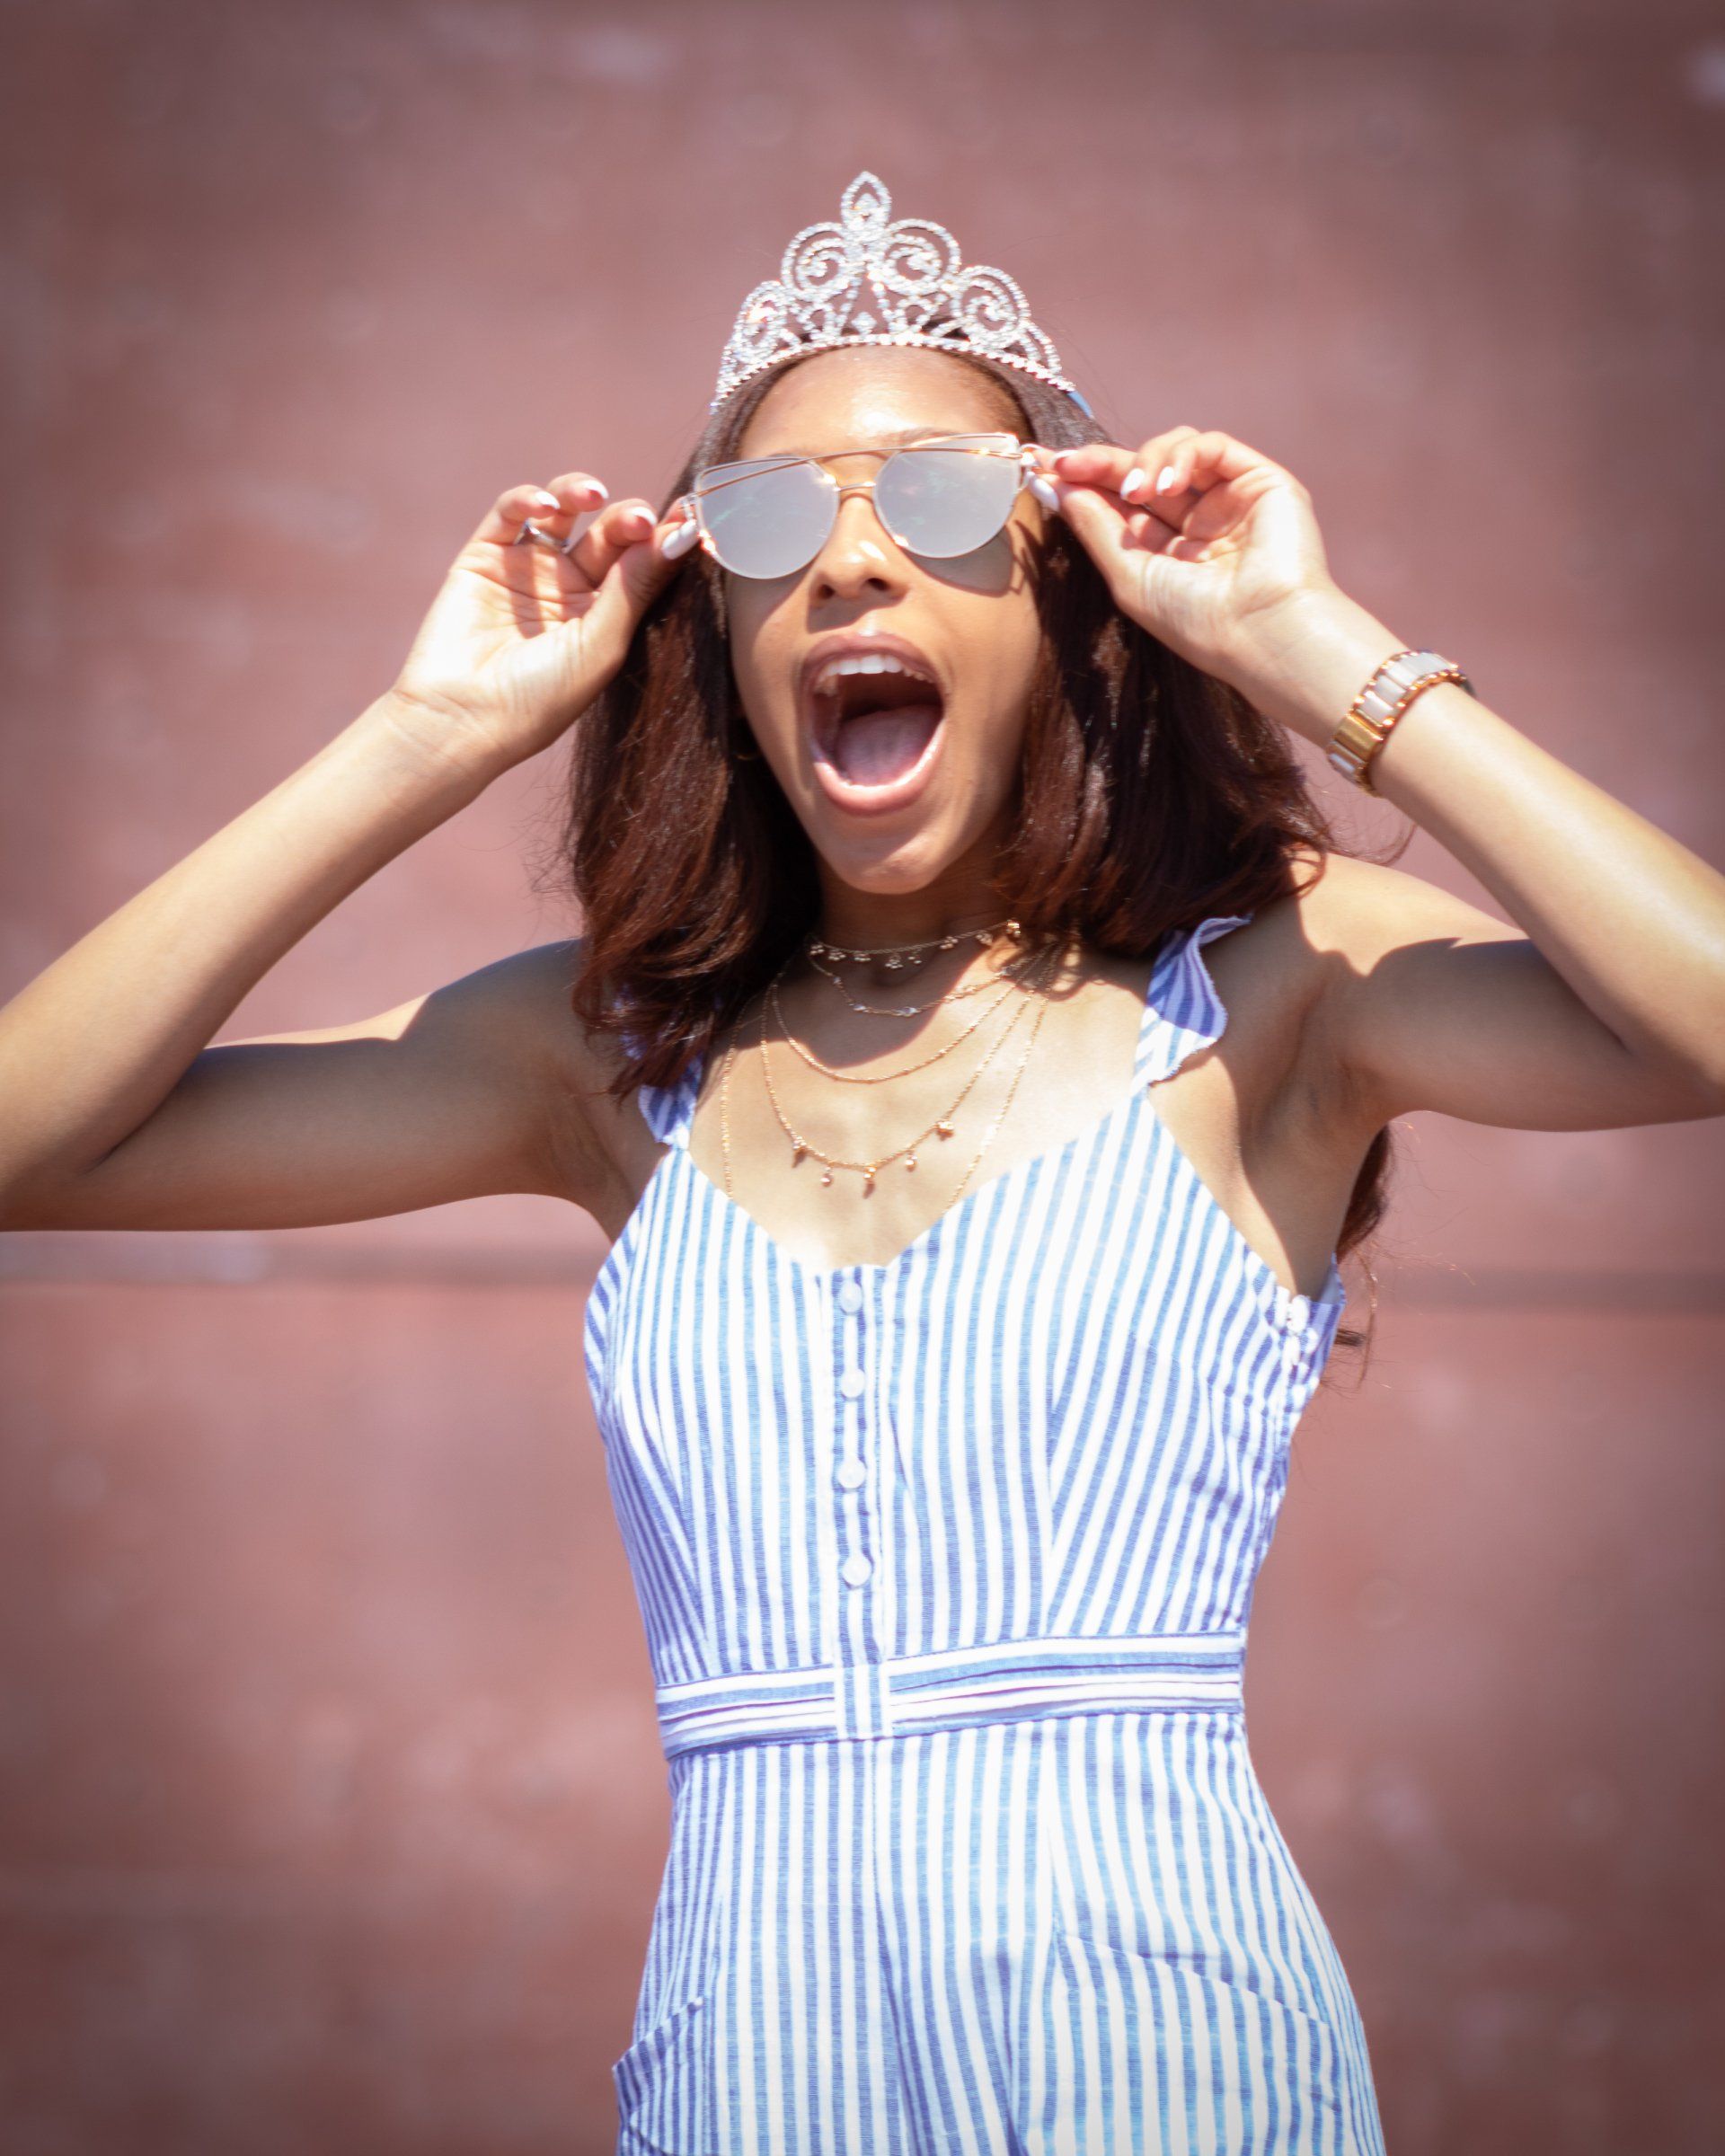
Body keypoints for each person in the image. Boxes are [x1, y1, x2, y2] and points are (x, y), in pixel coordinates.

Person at [3, 171, 1721, 2155]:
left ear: (1065, 584)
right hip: (744, 2080)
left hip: (1171, 2070)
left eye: (932, 503)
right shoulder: (608, 1061)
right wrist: (419, 738)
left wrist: (1315, 646)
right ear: (710, 626)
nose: (846, 565)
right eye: (762, 521)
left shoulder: (1275, 995)